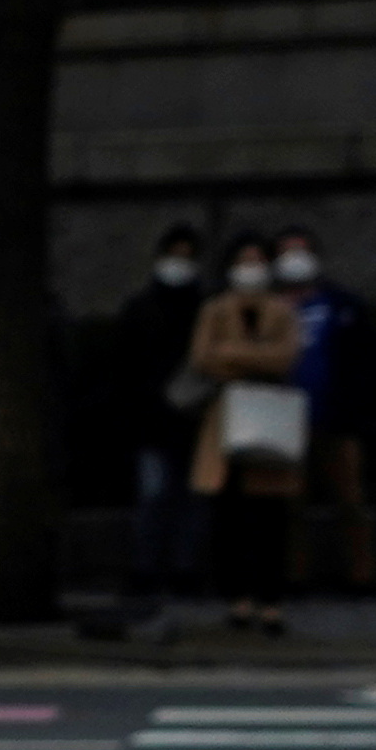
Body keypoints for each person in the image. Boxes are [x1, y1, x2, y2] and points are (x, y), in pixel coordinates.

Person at [184, 233, 310, 633]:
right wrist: (255, 359)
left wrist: (233, 356)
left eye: (258, 261)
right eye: (244, 260)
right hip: (223, 422)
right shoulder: (215, 310)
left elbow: (285, 357)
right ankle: (237, 599)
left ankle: (271, 602)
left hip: (269, 419)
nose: (251, 269)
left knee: (270, 519)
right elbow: (203, 358)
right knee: (229, 519)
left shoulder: (282, 310)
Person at [106, 223, 212, 626]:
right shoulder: (141, 309)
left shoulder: (203, 307)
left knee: (187, 499)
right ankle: (148, 569)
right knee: (155, 496)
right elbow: (124, 368)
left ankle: (180, 570)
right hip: (154, 420)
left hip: (188, 419)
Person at [273, 227, 376, 597]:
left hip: (337, 420)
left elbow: (363, 359)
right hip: (284, 422)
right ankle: (295, 576)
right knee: (291, 505)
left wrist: (354, 406)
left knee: (350, 501)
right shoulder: (270, 306)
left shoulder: (341, 304)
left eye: (301, 251)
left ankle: (361, 576)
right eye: (286, 252)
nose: (294, 259)